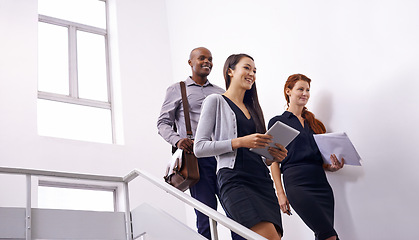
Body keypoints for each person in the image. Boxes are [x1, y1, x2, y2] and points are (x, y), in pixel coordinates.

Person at [194, 53, 287, 240]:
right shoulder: (215, 101)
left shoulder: (254, 109)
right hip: (235, 179)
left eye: (254, 70)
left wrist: (273, 157)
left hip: (262, 181)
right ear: (230, 71)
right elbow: (199, 147)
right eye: (246, 68)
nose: (252, 73)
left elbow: (260, 156)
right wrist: (239, 142)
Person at [157, 47, 241, 240]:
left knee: (236, 212)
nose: (207, 62)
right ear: (190, 62)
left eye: (210, 59)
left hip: (223, 158)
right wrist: (178, 140)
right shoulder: (177, 89)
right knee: (205, 215)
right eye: (202, 58)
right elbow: (162, 123)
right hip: (197, 158)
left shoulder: (221, 92)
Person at [268, 73, 344, 240]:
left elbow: (321, 158)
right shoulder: (278, 122)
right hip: (297, 183)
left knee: (323, 234)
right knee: (329, 235)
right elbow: (273, 161)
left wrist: (333, 166)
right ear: (288, 91)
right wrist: (280, 193)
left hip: (321, 184)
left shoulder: (314, 124)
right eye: (300, 89)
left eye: (308, 90)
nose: (305, 93)